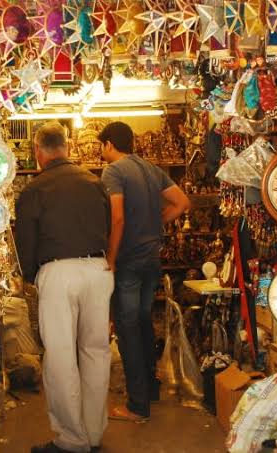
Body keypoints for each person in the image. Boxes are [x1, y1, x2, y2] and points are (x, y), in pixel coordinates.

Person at [15, 122, 114, 453]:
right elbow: (111, 223)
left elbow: (25, 238)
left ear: (38, 151)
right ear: (67, 148)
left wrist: (27, 276)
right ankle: (94, 433)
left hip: (59, 271)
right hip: (99, 269)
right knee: (95, 351)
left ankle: (72, 439)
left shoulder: (35, 188)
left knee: (60, 356)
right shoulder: (94, 182)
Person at [99, 121, 190, 422]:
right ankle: (150, 390)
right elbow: (182, 202)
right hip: (152, 257)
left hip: (129, 260)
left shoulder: (113, 171)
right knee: (143, 323)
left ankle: (137, 406)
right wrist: (156, 223)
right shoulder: (151, 169)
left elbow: (118, 218)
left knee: (128, 330)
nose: (101, 152)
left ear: (109, 144)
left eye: (102, 146)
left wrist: (111, 257)